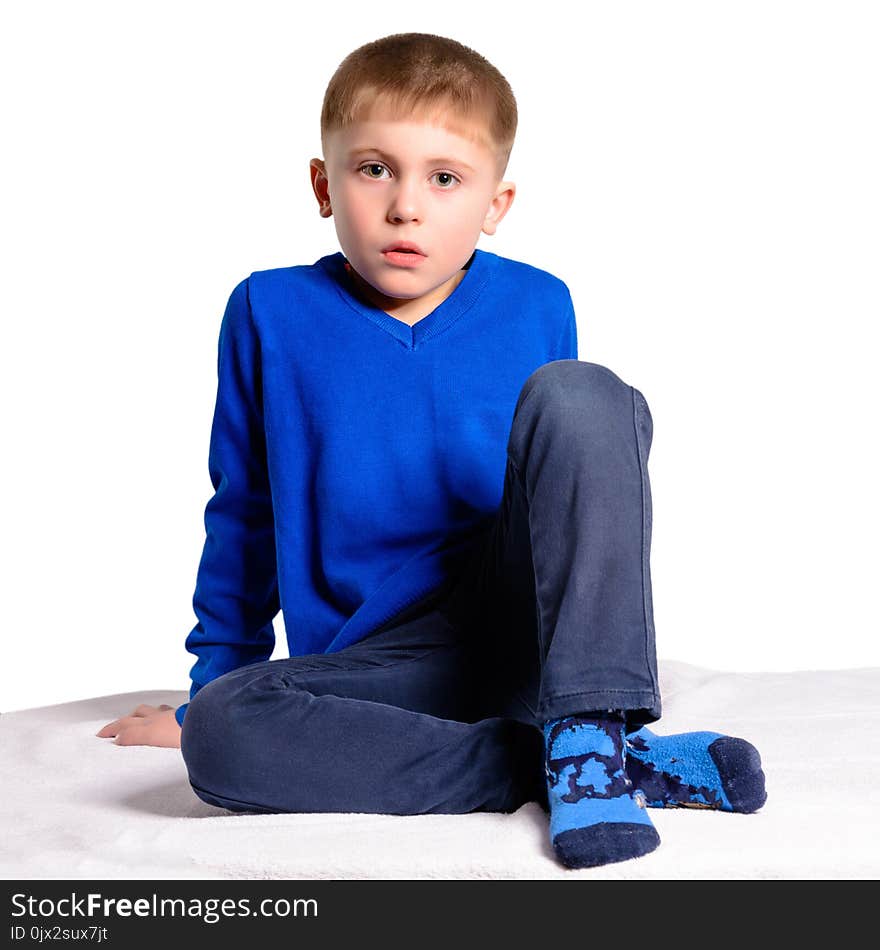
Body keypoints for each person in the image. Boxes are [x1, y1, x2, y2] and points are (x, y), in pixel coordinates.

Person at [97, 32, 766, 869]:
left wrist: (569, 671)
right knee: (227, 735)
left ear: (495, 203)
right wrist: (209, 694)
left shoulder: (536, 302)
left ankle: (589, 729)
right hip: (380, 672)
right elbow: (243, 512)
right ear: (322, 183)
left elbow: (570, 491)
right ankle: (577, 767)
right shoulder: (268, 312)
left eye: (444, 179)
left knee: (584, 394)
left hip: (527, 642)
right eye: (375, 169)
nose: (406, 205)